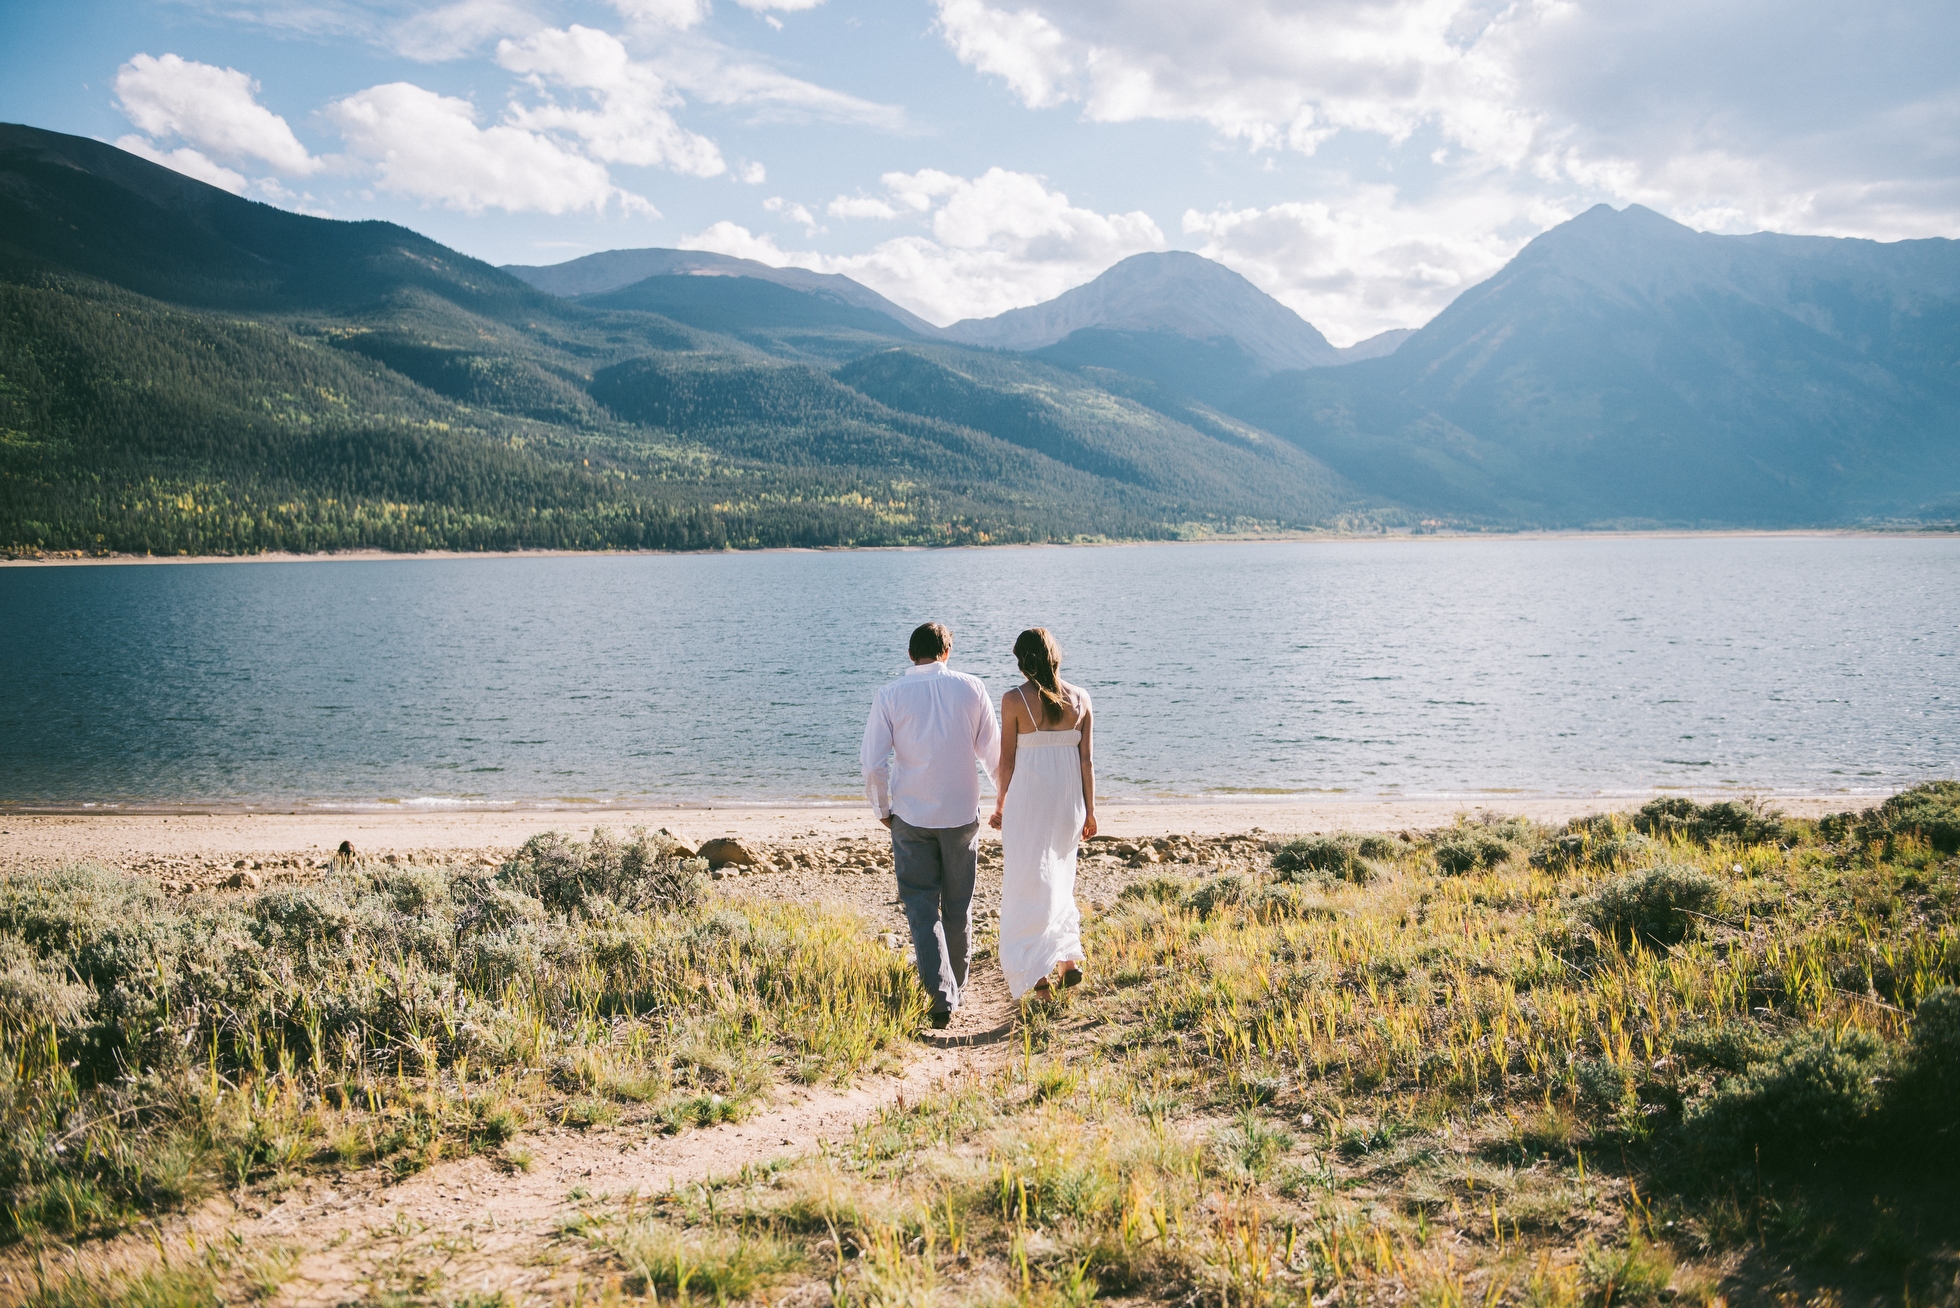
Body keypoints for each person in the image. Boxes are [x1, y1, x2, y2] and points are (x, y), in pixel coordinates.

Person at [861, 621, 1001, 1029]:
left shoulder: (890, 695)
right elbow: (993, 754)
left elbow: (872, 763)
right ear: (947, 651)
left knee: (922, 906)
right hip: (961, 814)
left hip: (911, 814)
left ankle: (941, 997)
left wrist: (882, 809)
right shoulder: (972, 687)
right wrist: (1004, 800)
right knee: (958, 905)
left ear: (911, 654)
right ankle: (957, 986)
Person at [989, 627, 1095, 1000]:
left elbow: (1006, 762)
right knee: (1061, 878)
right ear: (1055, 657)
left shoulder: (1014, 700)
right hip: (1069, 803)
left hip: (1029, 802)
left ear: (1022, 662)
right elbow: (1086, 761)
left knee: (1027, 884)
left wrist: (1000, 804)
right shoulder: (1081, 698)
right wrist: (1091, 811)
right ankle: (1067, 960)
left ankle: (1039, 980)